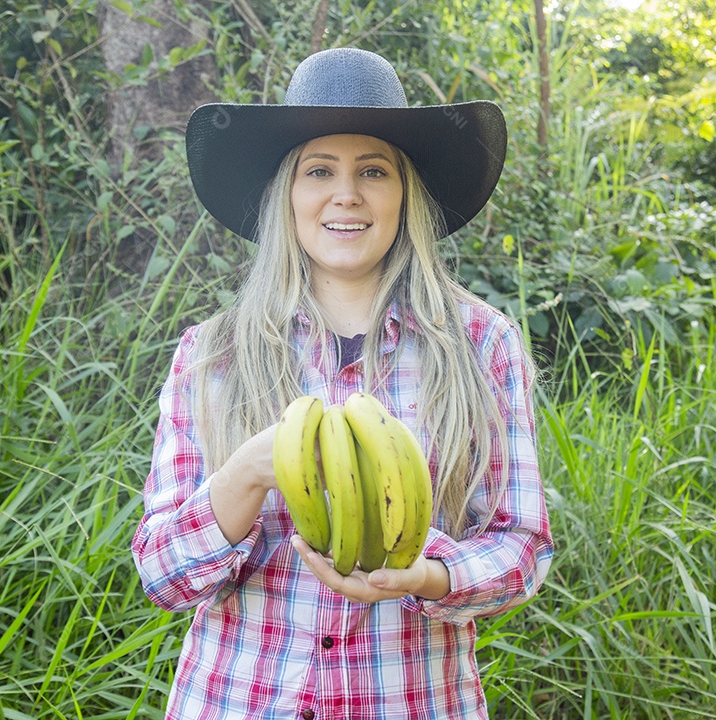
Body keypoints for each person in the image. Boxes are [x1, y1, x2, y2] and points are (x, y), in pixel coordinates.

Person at [131, 47, 554, 719]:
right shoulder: (213, 354)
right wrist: (245, 474)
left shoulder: (483, 345)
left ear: (404, 193)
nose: (346, 193)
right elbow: (162, 574)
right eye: (318, 169)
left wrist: (426, 574)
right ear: (287, 194)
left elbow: (521, 548)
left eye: (374, 171)